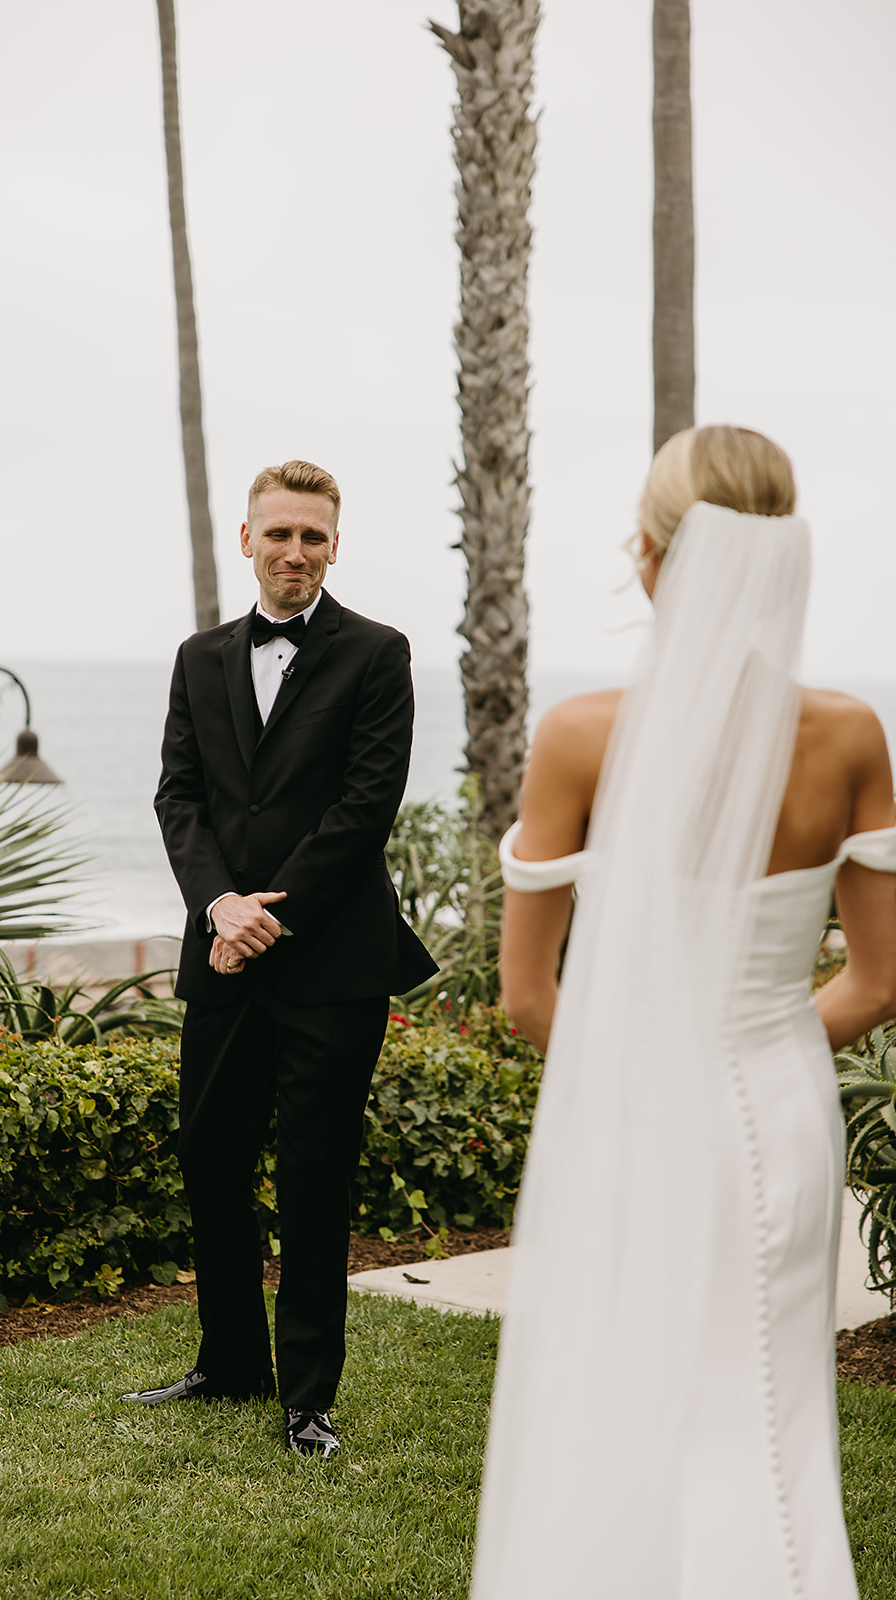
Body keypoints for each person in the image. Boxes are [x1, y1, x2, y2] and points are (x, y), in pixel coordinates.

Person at [472, 425, 896, 1598]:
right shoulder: (851, 734)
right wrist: (749, 1051)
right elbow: (876, 977)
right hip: (779, 1110)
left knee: (620, 1405)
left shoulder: (579, 737)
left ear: (655, 555)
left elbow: (524, 996)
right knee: (764, 1412)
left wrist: (647, 1065)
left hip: (626, 1114)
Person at [121, 458, 436, 1459]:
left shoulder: (378, 654)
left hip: (333, 963)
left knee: (311, 1176)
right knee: (210, 1160)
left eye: (312, 535)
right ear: (247, 540)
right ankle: (227, 1362)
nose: (294, 550)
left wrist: (266, 913)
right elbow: (180, 798)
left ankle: (306, 1397)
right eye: (278, 533)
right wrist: (219, 906)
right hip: (218, 954)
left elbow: (362, 809)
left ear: (334, 545)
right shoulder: (196, 656)